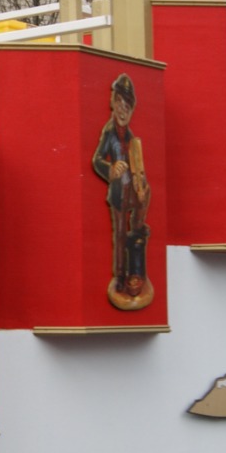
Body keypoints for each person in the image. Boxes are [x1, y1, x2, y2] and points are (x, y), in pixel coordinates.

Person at [93, 73, 153, 310]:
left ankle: (137, 229)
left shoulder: (131, 137)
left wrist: (141, 187)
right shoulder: (109, 133)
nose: (122, 110)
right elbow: (97, 160)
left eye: (127, 106)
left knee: (145, 198)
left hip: (132, 190)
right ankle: (119, 276)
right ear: (113, 102)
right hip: (119, 192)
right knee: (119, 234)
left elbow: (138, 166)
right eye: (119, 103)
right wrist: (110, 169)